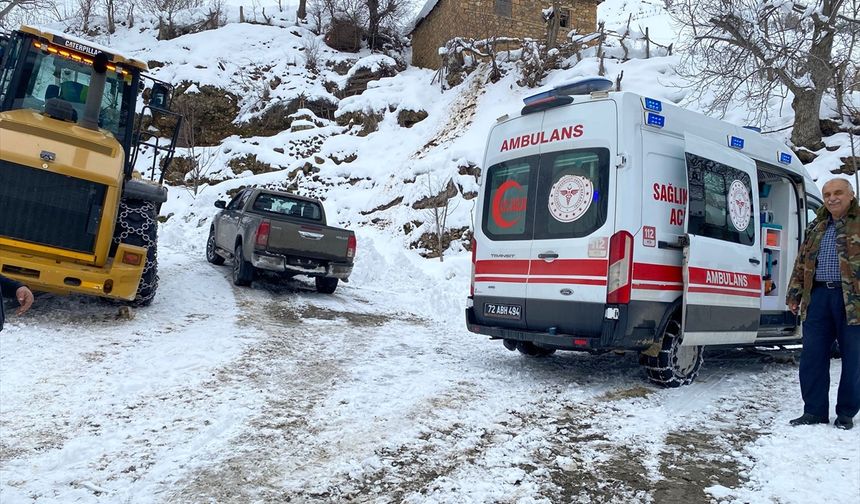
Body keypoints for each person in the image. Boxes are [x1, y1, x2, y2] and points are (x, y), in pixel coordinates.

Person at [786, 178, 860, 430]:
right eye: (827, 194)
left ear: (851, 195)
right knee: (812, 356)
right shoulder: (817, 225)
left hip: (853, 300)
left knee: (854, 358)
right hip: (817, 297)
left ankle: (846, 413)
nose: (831, 198)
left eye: (838, 192)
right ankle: (814, 411)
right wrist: (794, 294)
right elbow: (802, 261)